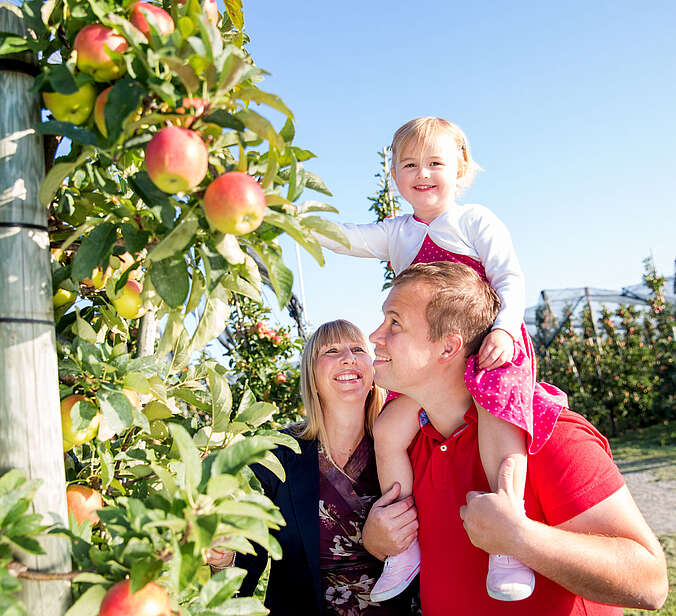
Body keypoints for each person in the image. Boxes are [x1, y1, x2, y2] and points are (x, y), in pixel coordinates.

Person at [317, 116, 567, 602]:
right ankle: (405, 547)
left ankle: (507, 539)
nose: (422, 173)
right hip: (432, 362)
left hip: (488, 346)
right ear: (394, 175)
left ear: (461, 168)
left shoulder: (474, 221)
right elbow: (344, 237)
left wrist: (503, 329)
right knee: (389, 432)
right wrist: (285, 215)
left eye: (435, 163)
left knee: (499, 419)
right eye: (409, 164)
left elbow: (510, 278)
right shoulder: (398, 233)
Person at [366, 260, 668, 615]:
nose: (374, 335)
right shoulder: (413, 447)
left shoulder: (547, 436)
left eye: (395, 323)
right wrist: (376, 540)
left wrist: (521, 539)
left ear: (448, 348)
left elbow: (650, 584)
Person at [213, 320, 420, 615]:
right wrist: (227, 556)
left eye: (358, 349)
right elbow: (251, 542)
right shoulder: (280, 453)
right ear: (311, 375)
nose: (348, 357)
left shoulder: (403, 445)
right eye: (332, 350)